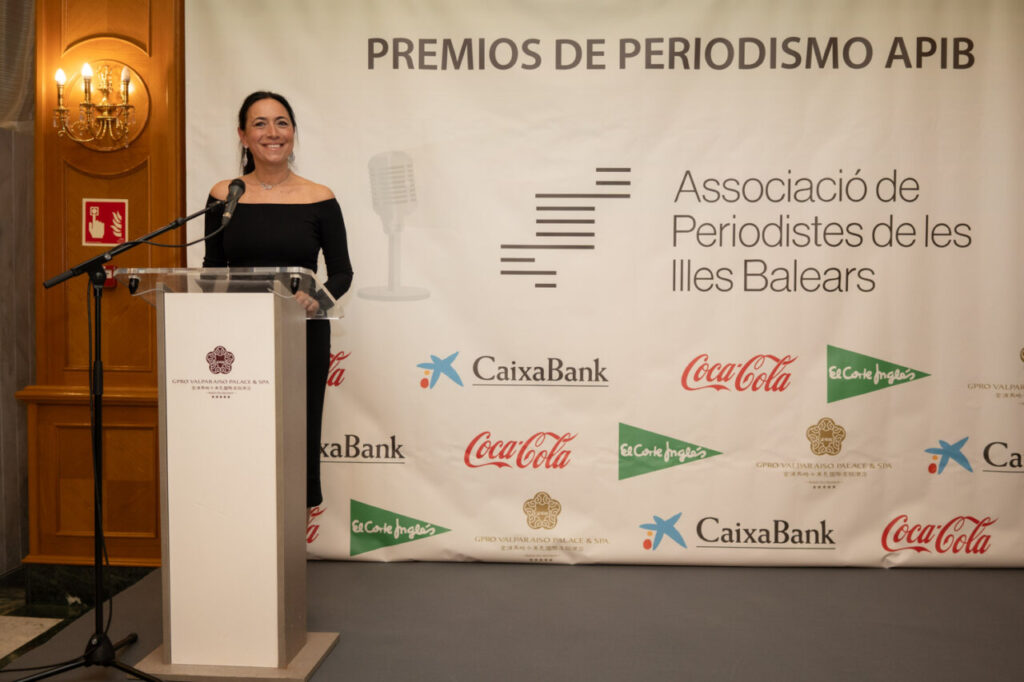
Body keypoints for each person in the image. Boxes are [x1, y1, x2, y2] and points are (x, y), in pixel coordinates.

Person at [203, 91, 353, 516]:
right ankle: (240, 511)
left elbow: (342, 272)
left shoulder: (319, 197)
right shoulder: (224, 194)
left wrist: (314, 299)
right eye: (260, 123)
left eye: (282, 122)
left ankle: (293, 518)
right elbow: (212, 268)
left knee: (298, 424)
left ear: (293, 133)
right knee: (240, 424)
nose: (273, 133)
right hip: (238, 335)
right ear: (243, 136)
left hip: (299, 332)